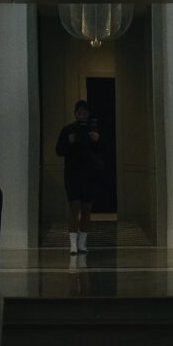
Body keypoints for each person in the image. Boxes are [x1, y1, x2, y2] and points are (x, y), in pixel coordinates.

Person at [54, 101, 103, 255]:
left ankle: (82, 244)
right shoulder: (68, 130)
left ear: (88, 114)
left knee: (87, 209)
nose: (82, 115)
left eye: (84, 113)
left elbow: (102, 150)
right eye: (79, 113)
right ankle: (73, 245)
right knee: (74, 208)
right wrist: (69, 141)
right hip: (73, 174)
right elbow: (59, 151)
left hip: (90, 175)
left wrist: (97, 140)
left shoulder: (94, 131)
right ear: (75, 113)